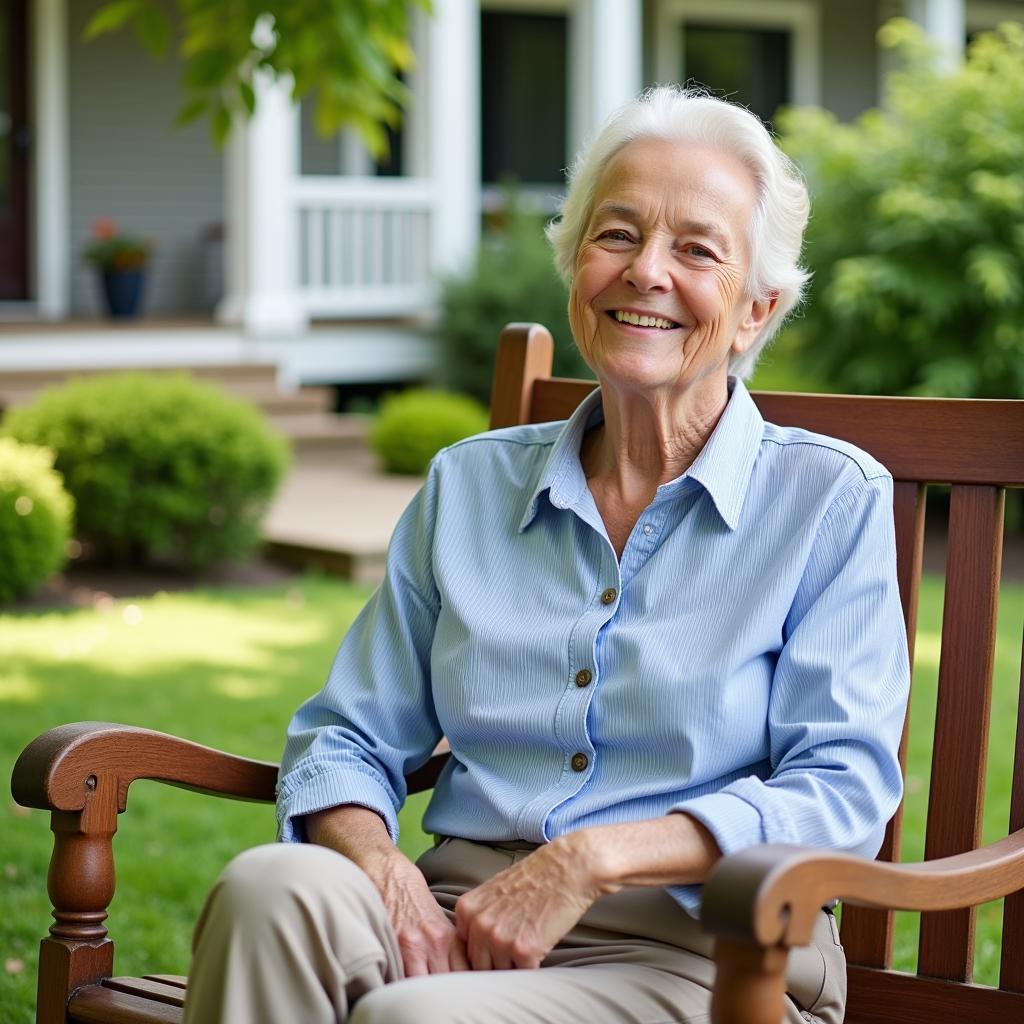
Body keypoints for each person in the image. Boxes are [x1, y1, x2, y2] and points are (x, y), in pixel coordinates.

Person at [182, 86, 910, 1024]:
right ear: (575, 268)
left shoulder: (829, 500)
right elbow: (348, 735)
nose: (647, 271)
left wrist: (591, 859)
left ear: (756, 310)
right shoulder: (470, 486)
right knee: (267, 891)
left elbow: (841, 789)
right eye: (616, 235)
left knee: (414, 1019)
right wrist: (381, 868)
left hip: (707, 954)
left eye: (696, 249)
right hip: (461, 909)